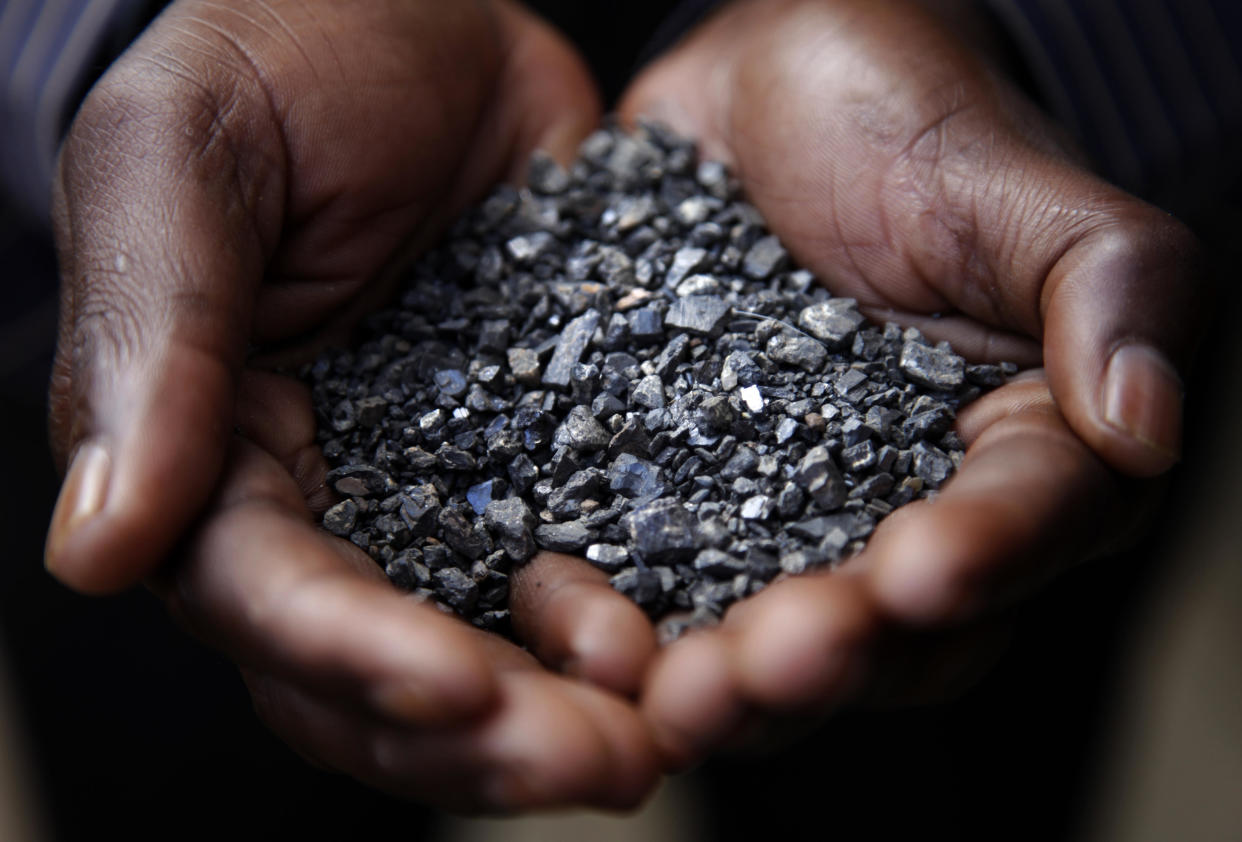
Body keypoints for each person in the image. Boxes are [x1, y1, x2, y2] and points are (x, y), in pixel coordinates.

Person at [23, 0, 1233, 812]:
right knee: (204, 768)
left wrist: (1032, 28)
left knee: (928, 761)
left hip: (962, 103)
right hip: (257, 285)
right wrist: (118, 28)